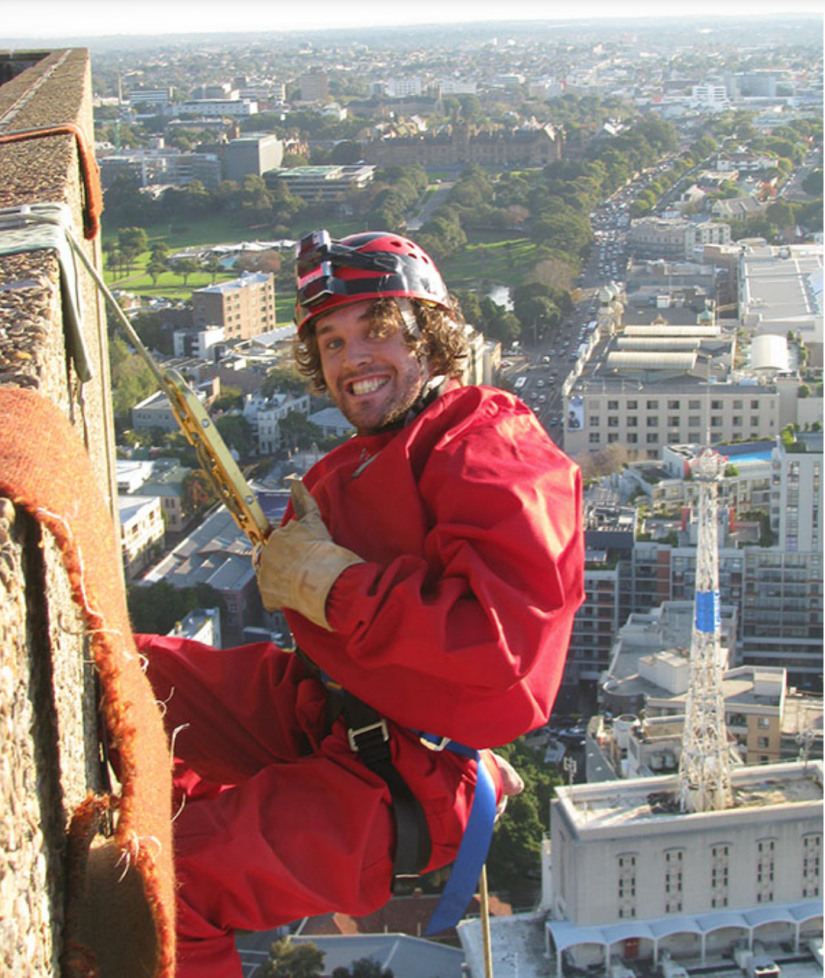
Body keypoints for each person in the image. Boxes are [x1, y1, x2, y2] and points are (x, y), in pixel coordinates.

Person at [136, 230, 584, 977]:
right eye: (332, 343)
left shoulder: (490, 445)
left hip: (412, 777)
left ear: (431, 340)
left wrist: (333, 587)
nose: (352, 361)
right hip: (331, 710)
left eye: (377, 331)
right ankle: (157, 800)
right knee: (116, 676)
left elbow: (507, 664)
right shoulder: (355, 462)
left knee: (165, 883)